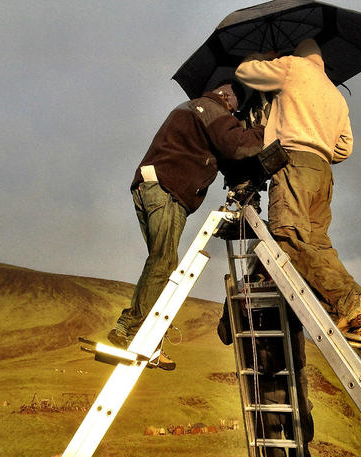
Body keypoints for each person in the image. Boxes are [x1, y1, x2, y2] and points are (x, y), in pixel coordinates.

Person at [108, 80, 265, 370]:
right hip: (167, 190)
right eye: (237, 102)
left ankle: (127, 329)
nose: (237, 109)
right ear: (227, 95)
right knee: (164, 261)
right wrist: (265, 131)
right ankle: (140, 336)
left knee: (158, 260)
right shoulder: (214, 111)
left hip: (147, 187)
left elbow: (216, 149)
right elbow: (237, 145)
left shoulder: (192, 108)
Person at [235, 38, 361, 335]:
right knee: (318, 244)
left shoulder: (293, 67)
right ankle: (354, 304)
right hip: (323, 172)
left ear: (299, 54)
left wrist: (265, 57)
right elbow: (345, 148)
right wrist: (321, 146)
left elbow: (245, 72)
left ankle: (348, 299)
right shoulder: (336, 94)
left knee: (287, 237)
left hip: (293, 163)